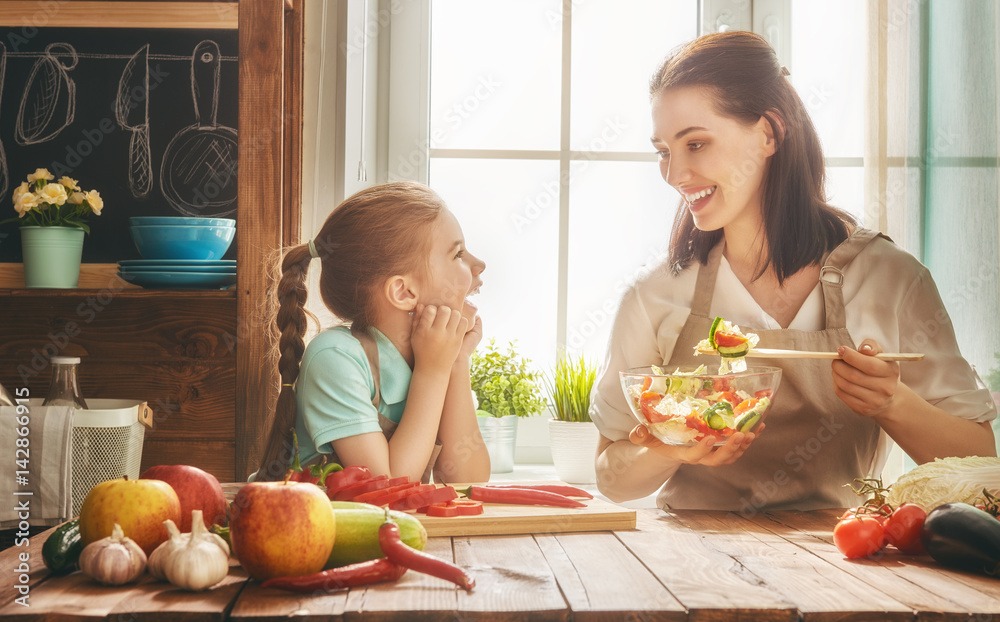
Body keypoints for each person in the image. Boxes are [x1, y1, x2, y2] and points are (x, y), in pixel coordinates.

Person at [592, 31, 997, 514]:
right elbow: (611, 478)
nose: (674, 173)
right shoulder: (654, 294)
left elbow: (982, 464)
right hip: (693, 568)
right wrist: (664, 451)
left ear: (769, 134)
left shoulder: (890, 279)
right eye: (663, 150)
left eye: (695, 144)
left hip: (848, 563)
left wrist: (893, 402)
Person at [254, 181, 491, 484]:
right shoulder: (336, 357)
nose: (479, 265)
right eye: (457, 254)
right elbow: (385, 485)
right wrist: (432, 373)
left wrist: (456, 362)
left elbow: (467, 483)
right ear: (403, 292)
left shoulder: (433, 354)